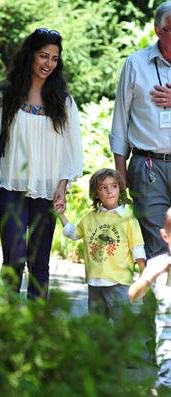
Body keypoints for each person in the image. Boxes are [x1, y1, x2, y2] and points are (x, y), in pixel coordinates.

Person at [0, 28, 83, 300]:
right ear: (30, 56)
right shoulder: (5, 95)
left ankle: (37, 327)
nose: (48, 63)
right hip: (9, 185)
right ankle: (9, 324)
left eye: (55, 58)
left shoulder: (64, 102)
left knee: (39, 262)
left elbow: (70, 150)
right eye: (43, 56)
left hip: (47, 190)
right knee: (14, 257)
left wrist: (63, 186)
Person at [111, 1, 171, 260]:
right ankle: (160, 300)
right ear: (158, 30)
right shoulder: (135, 64)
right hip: (148, 166)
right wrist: (120, 174)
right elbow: (120, 121)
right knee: (157, 246)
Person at [55, 169, 145, 321]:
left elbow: (138, 250)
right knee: (97, 331)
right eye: (103, 188)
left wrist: (143, 280)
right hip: (95, 283)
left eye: (114, 186)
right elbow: (73, 233)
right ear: (96, 193)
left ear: (120, 189)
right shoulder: (90, 218)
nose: (110, 191)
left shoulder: (128, 219)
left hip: (119, 284)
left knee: (122, 330)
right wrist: (60, 214)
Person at [129, 207, 171, 390]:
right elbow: (133, 296)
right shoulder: (157, 264)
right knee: (166, 385)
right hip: (167, 346)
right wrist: (148, 278)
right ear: (165, 236)